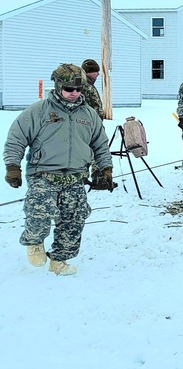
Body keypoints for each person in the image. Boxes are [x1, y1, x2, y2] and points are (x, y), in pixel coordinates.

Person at [4, 64, 114, 276]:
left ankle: (59, 260)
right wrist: (12, 166)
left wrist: (104, 169)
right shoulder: (39, 110)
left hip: (75, 176)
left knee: (74, 219)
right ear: (57, 86)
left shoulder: (89, 115)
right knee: (39, 212)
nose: (74, 93)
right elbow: (16, 138)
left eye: (78, 89)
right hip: (43, 174)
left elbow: (100, 144)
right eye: (69, 89)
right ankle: (35, 242)